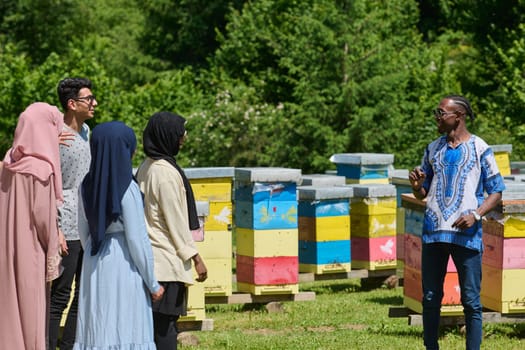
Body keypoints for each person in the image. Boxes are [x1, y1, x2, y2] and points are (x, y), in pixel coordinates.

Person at [409, 95, 506, 350]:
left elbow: (496, 191)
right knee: (430, 297)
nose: (436, 118)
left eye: (441, 113)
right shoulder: (432, 148)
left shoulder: (479, 148)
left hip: (467, 235)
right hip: (433, 233)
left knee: (471, 301)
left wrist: (475, 214)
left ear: (458, 116)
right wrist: (418, 187)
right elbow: (425, 192)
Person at [73, 121, 164, 349]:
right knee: (125, 325)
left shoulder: (85, 185)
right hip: (124, 263)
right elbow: (136, 239)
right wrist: (153, 283)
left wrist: (97, 248)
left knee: (98, 322)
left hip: (94, 261)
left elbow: (84, 232)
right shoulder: (128, 188)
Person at [136, 112, 208, 350]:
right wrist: (195, 257)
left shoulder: (146, 167)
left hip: (150, 258)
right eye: (180, 132)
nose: (183, 138)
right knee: (166, 328)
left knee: (155, 327)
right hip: (166, 261)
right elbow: (175, 222)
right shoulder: (165, 173)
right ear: (167, 135)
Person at [0, 102, 64, 350]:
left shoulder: (8, 163)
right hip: (31, 251)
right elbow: (44, 219)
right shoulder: (41, 170)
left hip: (6, 248)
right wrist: (53, 247)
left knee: (8, 307)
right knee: (31, 308)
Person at [49, 77, 97, 350]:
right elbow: (49, 184)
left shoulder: (87, 131)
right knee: (61, 294)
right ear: (71, 104)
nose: (94, 103)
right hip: (65, 221)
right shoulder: (56, 136)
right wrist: (55, 228)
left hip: (86, 221)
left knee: (83, 293)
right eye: (89, 99)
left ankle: (69, 345)